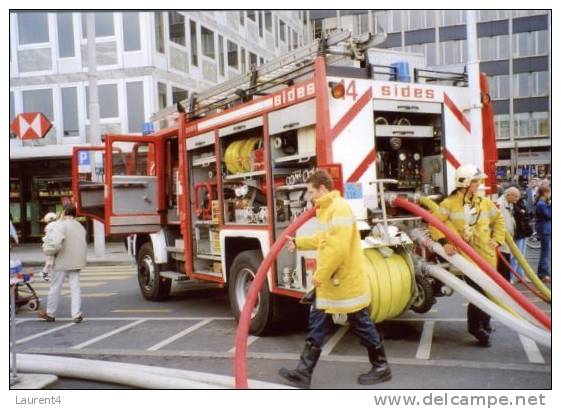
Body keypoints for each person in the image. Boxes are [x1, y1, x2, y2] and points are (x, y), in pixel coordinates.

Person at [278, 169, 391, 389]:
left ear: (322, 188)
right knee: (318, 323)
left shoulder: (337, 208)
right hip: (336, 281)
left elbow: (336, 250)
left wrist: (319, 276)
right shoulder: (329, 209)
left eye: (311, 191)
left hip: (343, 281)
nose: (310, 196)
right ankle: (303, 373)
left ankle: (381, 366)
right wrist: (299, 243)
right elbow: (323, 239)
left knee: (360, 321)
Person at [428, 165, 505, 347]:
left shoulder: (484, 202)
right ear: (465, 183)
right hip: (467, 259)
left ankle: (484, 324)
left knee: (488, 293)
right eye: (476, 181)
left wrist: (497, 239)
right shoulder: (448, 204)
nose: (479, 185)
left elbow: (499, 220)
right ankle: (476, 329)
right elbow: (433, 224)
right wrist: (445, 242)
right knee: (477, 293)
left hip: (487, 257)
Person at [38, 203, 87, 323]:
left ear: (64, 212)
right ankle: (76, 314)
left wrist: (47, 251)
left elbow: (55, 244)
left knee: (55, 288)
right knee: (75, 288)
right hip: (76, 261)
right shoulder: (80, 226)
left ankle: (50, 313)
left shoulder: (60, 225)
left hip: (61, 261)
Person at [496, 187, 520, 283]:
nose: (516, 200)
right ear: (509, 195)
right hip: (502, 241)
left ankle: (505, 283)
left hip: (506, 240)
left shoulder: (507, 204)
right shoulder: (500, 205)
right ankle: (504, 284)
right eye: (516, 197)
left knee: (506, 264)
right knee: (503, 265)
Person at [510, 196, 533, 280]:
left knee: (520, 255)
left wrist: (524, 213)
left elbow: (526, 214)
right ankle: (512, 276)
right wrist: (524, 213)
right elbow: (523, 215)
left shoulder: (519, 204)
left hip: (522, 232)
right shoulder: (515, 206)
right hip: (520, 232)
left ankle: (520, 275)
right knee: (517, 255)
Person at [535, 185, 551, 283]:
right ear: (545, 193)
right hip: (545, 229)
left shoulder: (541, 203)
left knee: (544, 252)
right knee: (545, 252)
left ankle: (541, 272)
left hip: (545, 229)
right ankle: (544, 273)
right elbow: (549, 215)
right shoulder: (542, 204)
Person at [40, 212, 60, 282]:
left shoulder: (48, 227)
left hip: (49, 246)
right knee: (51, 262)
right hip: (53, 246)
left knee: (50, 262)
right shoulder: (56, 225)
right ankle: (45, 274)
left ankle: (46, 274)